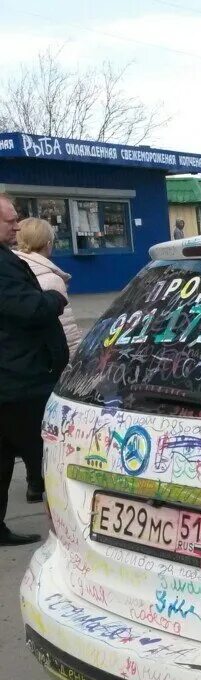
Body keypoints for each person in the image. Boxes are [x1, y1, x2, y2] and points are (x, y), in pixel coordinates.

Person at [0, 194, 69, 545]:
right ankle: (70, 531)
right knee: (47, 455)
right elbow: (26, 308)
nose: (17, 224)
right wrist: (55, 296)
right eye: (11, 219)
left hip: (16, 374)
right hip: (19, 378)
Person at [14, 218, 82, 355]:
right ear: (48, 244)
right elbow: (66, 327)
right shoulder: (51, 280)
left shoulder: (10, 268)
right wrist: (77, 355)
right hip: (46, 358)